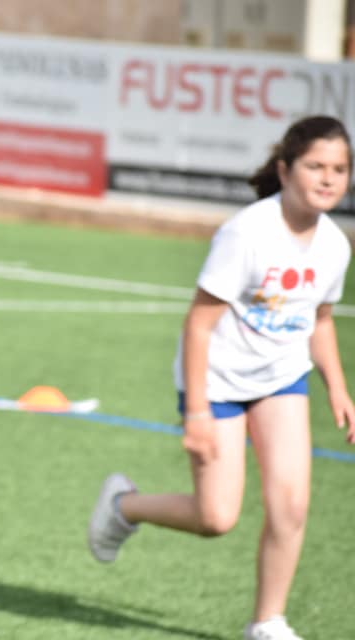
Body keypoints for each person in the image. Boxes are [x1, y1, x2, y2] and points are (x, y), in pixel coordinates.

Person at [88, 115, 355, 640]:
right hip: (219, 380)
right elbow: (199, 325)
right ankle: (123, 506)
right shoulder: (247, 233)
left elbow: (320, 321)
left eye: (340, 169)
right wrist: (197, 412)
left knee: (292, 504)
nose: (328, 179)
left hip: (281, 377)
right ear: (285, 170)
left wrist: (339, 390)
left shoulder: (335, 245)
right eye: (315, 166)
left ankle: (268, 621)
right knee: (216, 517)